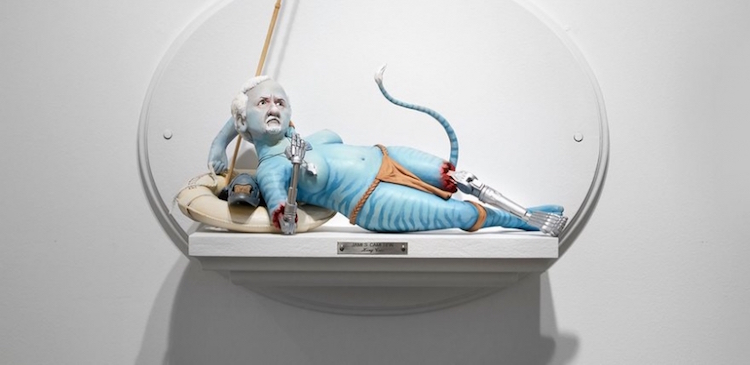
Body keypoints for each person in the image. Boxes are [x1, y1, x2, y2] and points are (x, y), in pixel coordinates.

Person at [208, 75, 566, 234]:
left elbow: (264, 118)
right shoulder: (272, 169)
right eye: (262, 103)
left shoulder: (313, 138)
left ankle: (521, 210)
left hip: (388, 156)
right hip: (370, 200)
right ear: (243, 121)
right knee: (460, 213)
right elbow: (283, 217)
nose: (273, 107)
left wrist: (223, 141)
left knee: (454, 176)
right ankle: (522, 221)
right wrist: (220, 142)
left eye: (280, 101)